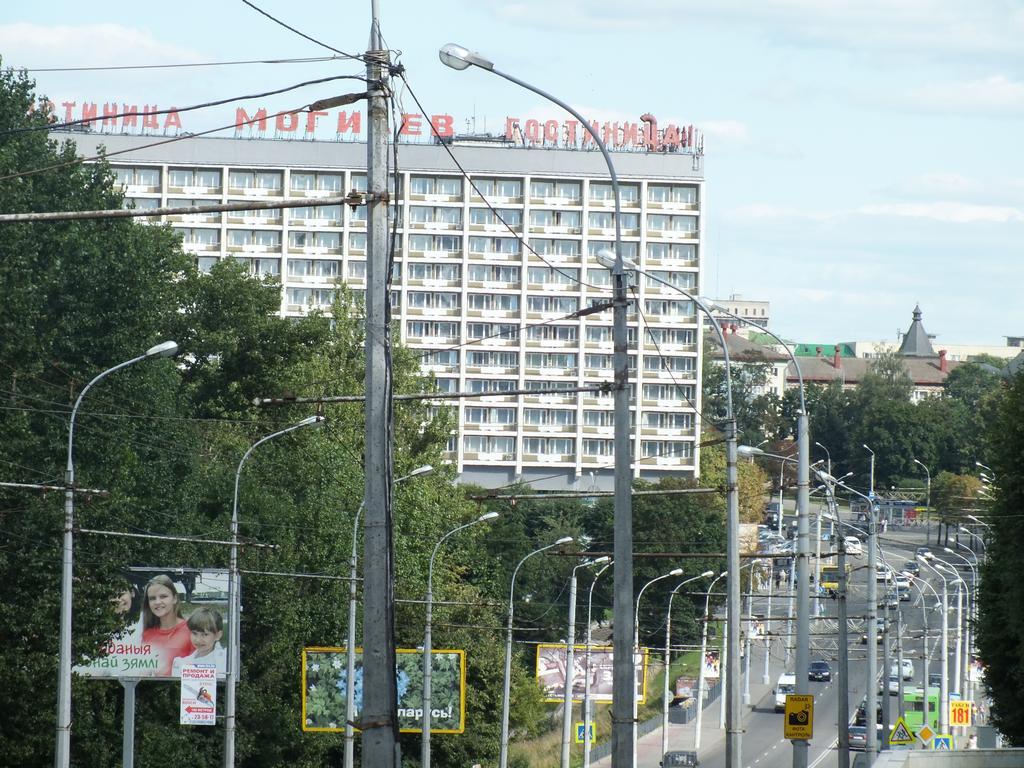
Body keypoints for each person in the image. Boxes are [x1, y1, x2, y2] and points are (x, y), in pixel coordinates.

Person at [142, 574, 195, 676]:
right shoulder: (146, 634)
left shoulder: (191, 630)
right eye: (152, 598)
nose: (157, 602)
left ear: (174, 598)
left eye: (163, 596)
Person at [172, 607, 227, 677]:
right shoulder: (181, 663)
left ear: (218, 635)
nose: (198, 640)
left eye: (205, 634)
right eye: (194, 633)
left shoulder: (225, 660)